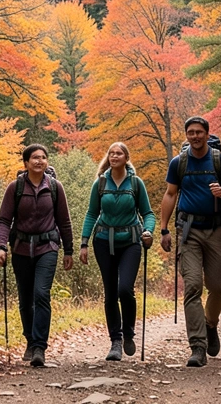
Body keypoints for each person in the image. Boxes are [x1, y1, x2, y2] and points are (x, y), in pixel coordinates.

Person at [159, 116, 221, 367]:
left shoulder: (220, 161)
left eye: (199, 132)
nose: (195, 136)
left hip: (216, 230)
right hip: (188, 231)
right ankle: (197, 346)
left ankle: (210, 324)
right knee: (192, 286)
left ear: (207, 134)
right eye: (190, 132)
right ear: (186, 135)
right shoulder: (178, 163)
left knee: (217, 287)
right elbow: (170, 194)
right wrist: (163, 229)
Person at [0, 144, 74, 367]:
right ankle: (30, 340)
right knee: (25, 298)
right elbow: (3, 220)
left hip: (48, 247)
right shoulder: (15, 187)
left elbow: (64, 221)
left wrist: (68, 251)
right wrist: (0, 247)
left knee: (41, 293)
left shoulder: (55, 187)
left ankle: (39, 347)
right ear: (26, 163)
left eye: (43, 157)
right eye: (35, 158)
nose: (39, 161)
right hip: (21, 249)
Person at [79, 142, 156, 362]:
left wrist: (148, 231)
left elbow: (148, 213)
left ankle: (128, 332)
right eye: (111, 153)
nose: (114, 156)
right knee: (111, 292)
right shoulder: (100, 183)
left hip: (131, 241)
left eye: (119, 153)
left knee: (125, 289)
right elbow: (92, 213)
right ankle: (116, 341)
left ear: (126, 158)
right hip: (103, 241)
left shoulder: (136, 183)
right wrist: (84, 243)